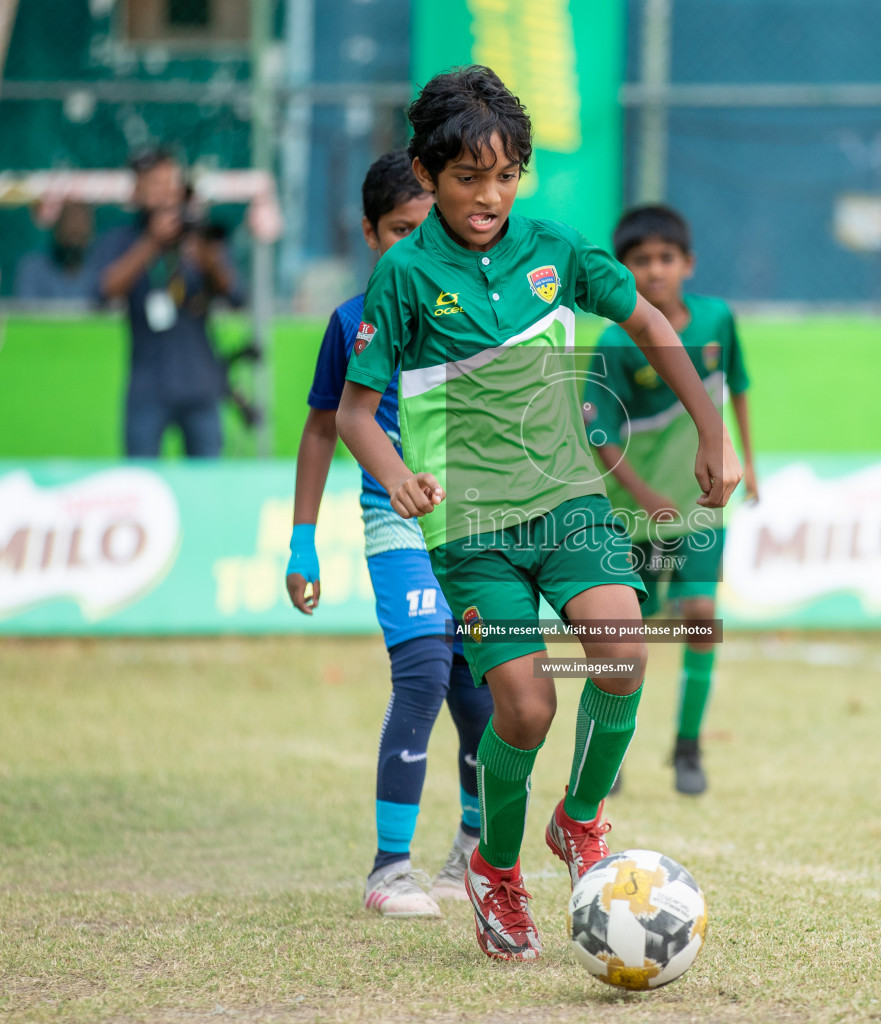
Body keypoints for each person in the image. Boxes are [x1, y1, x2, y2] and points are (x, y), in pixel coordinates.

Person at [334, 66, 741, 961]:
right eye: (466, 179)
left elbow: (649, 322)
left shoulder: (554, 249)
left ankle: (580, 819)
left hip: (568, 506)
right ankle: (499, 871)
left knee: (626, 653)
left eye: (504, 176)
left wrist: (711, 426)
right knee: (524, 709)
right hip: (471, 530)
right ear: (428, 174)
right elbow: (356, 414)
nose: (488, 197)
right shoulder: (404, 277)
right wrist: (396, 473)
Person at [284, 150, 493, 919]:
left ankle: (472, 849)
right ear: (370, 234)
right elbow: (319, 431)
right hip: (394, 516)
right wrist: (302, 539)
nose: (414, 244)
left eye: (426, 227)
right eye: (399, 229)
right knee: (423, 675)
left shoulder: (467, 306)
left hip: (477, 524)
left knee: (481, 694)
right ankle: (389, 870)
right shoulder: (349, 322)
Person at [582, 205, 758, 796]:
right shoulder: (616, 340)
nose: (654, 271)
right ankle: (612, 749)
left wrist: (746, 462)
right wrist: (644, 494)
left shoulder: (717, 320)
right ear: (624, 270)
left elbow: (738, 388)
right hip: (632, 517)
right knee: (625, 637)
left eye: (665, 259)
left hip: (701, 506)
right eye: (641, 261)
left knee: (702, 617)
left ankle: (688, 747)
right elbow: (598, 431)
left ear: (688, 263)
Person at [89, 147, 243, 458]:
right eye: (154, 185)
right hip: (148, 386)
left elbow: (236, 295)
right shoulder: (124, 240)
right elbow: (101, 294)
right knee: (142, 482)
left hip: (199, 384)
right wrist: (151, 243)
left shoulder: (198, 237)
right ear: (137, 192)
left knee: (206, 483)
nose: (164, 194)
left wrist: (208, 260)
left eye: (169, 184)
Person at [14, 200, 97, 302]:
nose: (74, 224)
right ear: (57, 227)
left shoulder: (101, 269)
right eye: (67, 218)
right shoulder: (32, 268)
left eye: (78, 234)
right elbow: (26, 312)